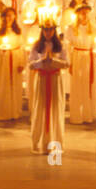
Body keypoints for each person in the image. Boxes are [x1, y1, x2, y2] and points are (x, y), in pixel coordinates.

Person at [29, 21, 69, 155]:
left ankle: (54, 142)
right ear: (42, 31)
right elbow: (30, 64)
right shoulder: (36, 45)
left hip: (55, 80)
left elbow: (66, 64)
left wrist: (53, 61)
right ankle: (40, 143)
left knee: (55, 109)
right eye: (46, 30)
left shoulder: (60, 45)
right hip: (41, 79)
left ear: (54, 31)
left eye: (51, 30)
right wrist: (42, 61)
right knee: (41, 108)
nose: (48, 33)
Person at [66, 2, 96, 125]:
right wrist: (70, 62)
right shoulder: (71, 28)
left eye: (86, 12)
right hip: (76, 56)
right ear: (77, 14)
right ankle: (76, 115)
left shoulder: (93, 28)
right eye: (81, 12)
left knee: (87, 85)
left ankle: (87, 114)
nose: (84, 15)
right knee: (77, 85)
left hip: (88, 57)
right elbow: (68, 45)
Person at [0, 7, 26, 122]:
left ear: (15, 16)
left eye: (12, 15)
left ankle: (15, 111)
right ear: (3, 17)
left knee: (15, 85)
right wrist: (1, 47)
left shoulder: (18, 31)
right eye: (7, 15)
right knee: (4, 84)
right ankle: (4, 112)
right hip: (4, 60)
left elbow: (22, 47)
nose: (10, 17)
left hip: (16, 59)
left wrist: (22, 62)